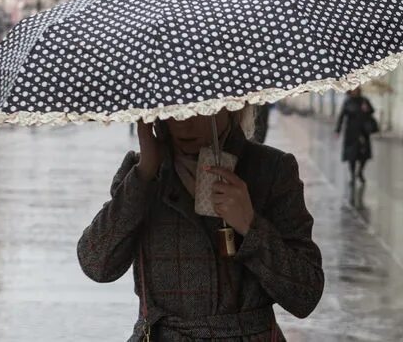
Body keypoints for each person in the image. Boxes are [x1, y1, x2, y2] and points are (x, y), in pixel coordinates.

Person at [77, 106, 324, 341]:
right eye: (175, 110)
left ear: (231, 105)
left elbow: (305, 295)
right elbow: (96, 264)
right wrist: (144, 176)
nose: (185, 124)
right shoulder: (144, 173)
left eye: (201, 111)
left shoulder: (271, 170)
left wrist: (250, 226)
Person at [335, 87, 375, 183]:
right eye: (354, 89)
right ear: (350, 90)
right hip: (351, 132)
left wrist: (367, 109)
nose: (355, 90)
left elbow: (372, 111)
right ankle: (352, 176)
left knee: (364, 155)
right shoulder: (347, 101)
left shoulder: (364, 100)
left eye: (357, 89)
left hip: (363, 132)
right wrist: (338, 130)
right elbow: (342, 116)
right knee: (352, 156)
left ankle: (360, 172)